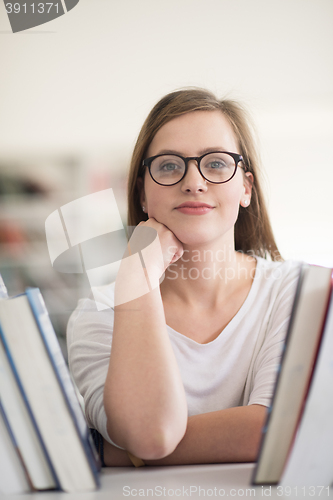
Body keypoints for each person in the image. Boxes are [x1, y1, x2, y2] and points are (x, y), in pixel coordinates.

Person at [67, 88, 301, 467]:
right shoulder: (97, 314)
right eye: (169, 165)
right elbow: (151, 433)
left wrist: (115, 453)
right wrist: (136, 277)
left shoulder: (297, 292)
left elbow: (283, 429)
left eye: (217, 163)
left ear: (245, 188)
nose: (193, 182)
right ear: (142, 191)